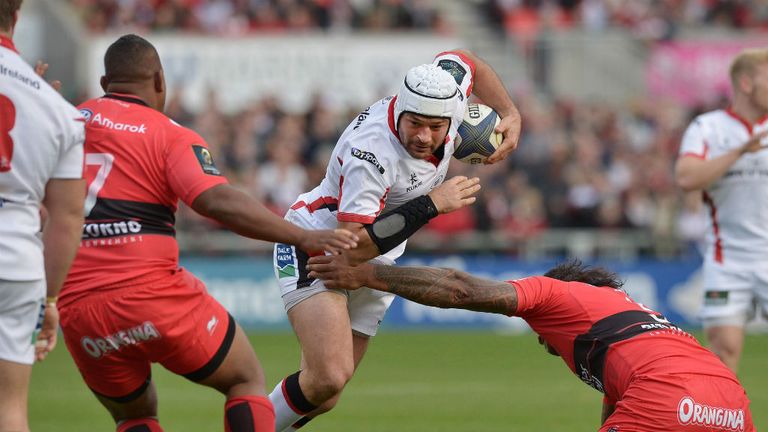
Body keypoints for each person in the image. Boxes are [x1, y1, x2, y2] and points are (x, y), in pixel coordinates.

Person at [57, 34, 359, 432]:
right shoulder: (167, 134)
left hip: (77, 308)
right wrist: (301, 236)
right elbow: (216, 201)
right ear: (160, 81)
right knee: (244, 378)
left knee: (134, 414)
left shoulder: (62, 123)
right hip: (148, 291)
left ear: (103, 84)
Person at [269, 50, 522, 431]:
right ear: (400, 110)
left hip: (379, 254)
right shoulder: (371, 156)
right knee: (328, 376)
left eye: (435, 127)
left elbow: (469, 62)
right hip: (319, 243)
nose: (423, 136)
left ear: (453, 116)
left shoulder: (445, 86)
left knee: (327, 395)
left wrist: (511, 113)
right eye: (414, 123)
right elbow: (350, 247)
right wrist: (432, 205)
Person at [306, 257, 755, 432]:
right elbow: (619, 401)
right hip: (733, 402)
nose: (543, 339)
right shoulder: (629, 311)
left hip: (666, 395)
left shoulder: (554, 292)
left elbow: (462, 289)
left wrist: (366, 275)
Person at [0, 1, 86, 431]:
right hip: (17, 261)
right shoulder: (58, 108)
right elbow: (68, 218)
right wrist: (51, 300)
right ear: (16, 17)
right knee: (9, 408)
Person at [675, 48, 768, 373]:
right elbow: (687, 177)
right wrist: (740, 152)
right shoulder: (708, 128)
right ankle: (722, 422)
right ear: (746, 83)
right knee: (722, 353)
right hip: (727, 260)